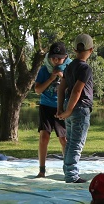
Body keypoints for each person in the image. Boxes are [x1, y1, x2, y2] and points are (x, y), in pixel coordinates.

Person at [56, 33, 95, 184]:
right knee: (75, 144)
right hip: (80, 108)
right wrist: (68, 110)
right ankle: (71, 176)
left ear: (74, 49)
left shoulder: (69, 66)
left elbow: (61, 89)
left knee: (70, 141)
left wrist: (61, 108)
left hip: (69, 106)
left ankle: (68, 172)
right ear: (91, 49)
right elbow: (77, 91)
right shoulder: (85, 68)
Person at [33, 42, 69, 177]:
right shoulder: (44, 70)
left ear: (65, 57)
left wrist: (61, 76)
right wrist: (51, 78)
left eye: (59, 58)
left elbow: (73, 88)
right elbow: (37, 90)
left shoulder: (69, 69)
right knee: (44, 137)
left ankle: (68, 169)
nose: (55, 61)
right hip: (46, 105)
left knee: (64, 139)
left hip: (62, 107)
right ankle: (42, 170)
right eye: (53, 58)